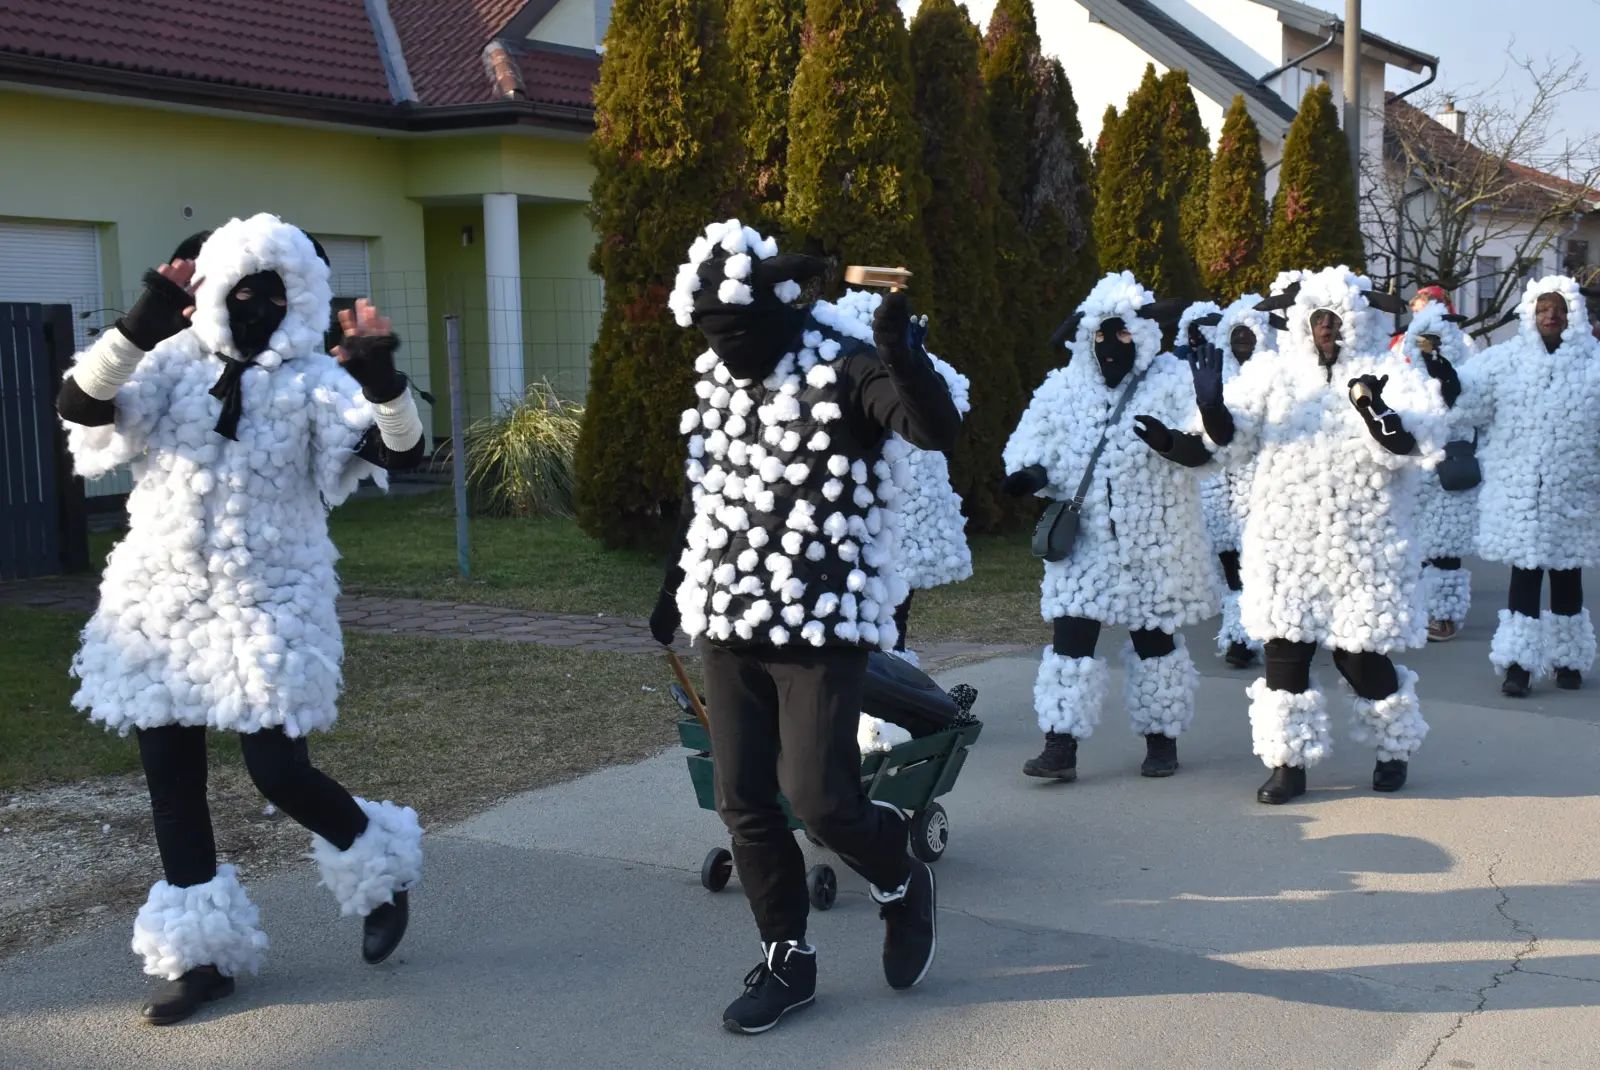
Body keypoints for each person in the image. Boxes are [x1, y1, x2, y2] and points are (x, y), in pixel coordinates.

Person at [57, 214, 426, 1025]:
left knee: (277, 770)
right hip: (162, 603)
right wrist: (136, 329)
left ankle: (379, 866)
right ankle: (200, 960)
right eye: (243, 288)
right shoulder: (169, 366)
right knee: (172, 785)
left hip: (272, 602)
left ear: (303, 299)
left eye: (278, 290)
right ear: (215, 289)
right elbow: (81, 409)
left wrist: (383, 380)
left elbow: (401, 453)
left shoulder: (310, 380)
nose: (258, 303)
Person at [648, 220, 960, 1034]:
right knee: (744, 801)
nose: (728, 351)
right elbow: (704, 491)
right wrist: (675, 580)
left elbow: (934, 430)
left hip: (822, 624)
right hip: (728, 615)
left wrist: (902, 353)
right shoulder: (716, 377)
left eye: (740, 334)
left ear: (781, 309)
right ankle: (788, 956)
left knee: (822, 801)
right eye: (713, 335)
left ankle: (899, 876)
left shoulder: (845, 361)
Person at [1143, 267, 1448, 804]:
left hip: (1364, 547)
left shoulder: (1388, 369)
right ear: (1303, 325)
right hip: (1285, 544)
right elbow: (1224, 442)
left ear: (1353, 322)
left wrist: (1375, 410)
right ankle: (1288, 762)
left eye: (1335, 320)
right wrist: (1208, 412)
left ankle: (1393, 743)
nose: (1326, 329)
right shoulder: (1273, 376)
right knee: (1285, 655)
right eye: (1317, 320)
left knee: (1360, 661)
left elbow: (1416, 441)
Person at [1002, 272, 1215, 783]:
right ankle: (1060, 744)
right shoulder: (1063, 387)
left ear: (1140, 334)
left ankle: (1161, 739)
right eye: (1100, 335)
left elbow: (1205, 444)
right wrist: (1028, 474)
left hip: (1154, 542)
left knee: (1155, 644)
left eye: (1121, 334)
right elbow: (1038, 443)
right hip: (1085, 544)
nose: (1109, 346)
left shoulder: (1170, 381)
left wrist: (1173, 443)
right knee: (1070, 643)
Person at [1453, 277, 1600, 695]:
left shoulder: (1595, 363)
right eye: (1542, 308)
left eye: (1558, 309)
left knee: (1568, 578)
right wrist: (1445, 377)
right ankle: (1518, 664)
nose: (1550, 315)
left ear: (1573, 315)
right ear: (1530, 315)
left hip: (1574, 495)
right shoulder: (1505, 360)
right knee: (1525, 575)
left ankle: (1568, 660)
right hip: (1522, 496)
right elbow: (1468, 404)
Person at [833, 290, 972, 662]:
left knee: (893, 612)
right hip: (859, 519)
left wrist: (916, 361)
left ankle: (891, 694)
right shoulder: (845, 375)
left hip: (905, 519)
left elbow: (953, 406)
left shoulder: (916, 369)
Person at [1188, 296, 1276, 669]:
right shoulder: (1214, 374)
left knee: (1257, 562)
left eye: (1249, 333)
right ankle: (1241, 632)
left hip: (1261, 486)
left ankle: (1254, 633)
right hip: (1217, 487)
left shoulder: (1275, 376)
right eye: (1236, 332)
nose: (1243, 339)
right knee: (1230, 563)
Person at [1398, 303, 1477, 642]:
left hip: (1448, 470)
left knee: (1444, 547)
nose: (1428, 347)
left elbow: (1465, 411)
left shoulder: (1466, 374)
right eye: (1423, 340)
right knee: (1416, 546)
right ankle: (1419, 609)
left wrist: (1444, 374)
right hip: (1416, 471)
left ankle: (1445, 615)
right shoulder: (1405, 379)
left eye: (1435, 340)